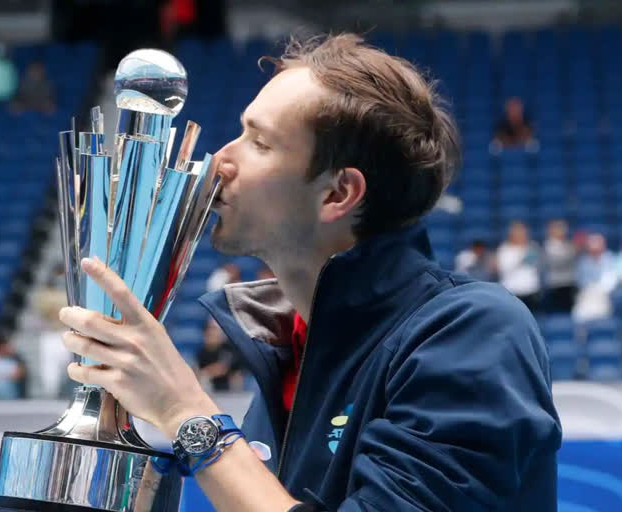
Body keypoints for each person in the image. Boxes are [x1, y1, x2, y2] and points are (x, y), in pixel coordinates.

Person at [57, 34, 561, 511]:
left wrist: (188, 416)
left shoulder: (472, 331)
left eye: (259, 142)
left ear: (338, 194)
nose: (220, 161)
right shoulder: (287, 350)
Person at [497, 221, 542, 312]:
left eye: (523, 232)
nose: (521, 234)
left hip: (531, 292)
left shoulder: (533, 247)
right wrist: (521, 258)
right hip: (512, 292)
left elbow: (538, 265)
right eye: (518, 232)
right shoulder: (504, 250)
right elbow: (503, 269)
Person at [573, 233, 618, 322]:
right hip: (587, 294)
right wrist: (591, 288)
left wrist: (599, 288)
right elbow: (581, 280)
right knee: (578, 315)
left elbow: (611, 280)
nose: (595, 250)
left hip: (604, 295)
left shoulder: (609, 258)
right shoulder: (583, 261)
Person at [196, 318, 245, 392]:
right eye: (210, 332)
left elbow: (223, 368)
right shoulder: (202, 352)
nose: (212, 335)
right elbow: (199, 371)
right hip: (210, 386)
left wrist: (207, 371)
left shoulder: (228, 348)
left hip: (228, 385)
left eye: (215, 331)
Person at [543, 219, 578, 313]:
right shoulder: (548, 246)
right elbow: (555, 263)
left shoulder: (568, 245)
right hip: (555, 286)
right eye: (558, 228)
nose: (562, 231)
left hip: (569, 284)